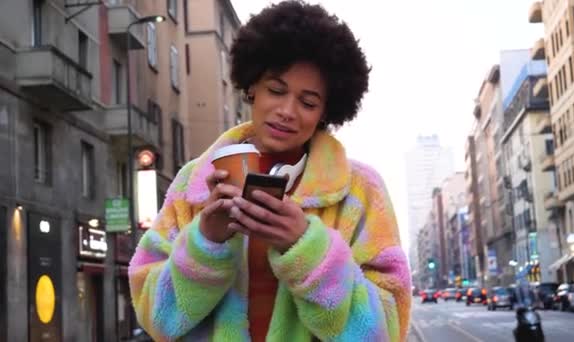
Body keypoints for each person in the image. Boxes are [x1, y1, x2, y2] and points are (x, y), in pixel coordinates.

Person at [128, 1, 411, 341]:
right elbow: (155, 318)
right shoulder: (195, 183)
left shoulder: (360, 190)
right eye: (276, 90)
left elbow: (386, 332)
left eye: (308, 102)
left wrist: (307, 248)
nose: (287, 111)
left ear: (326, 111)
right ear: (252, 88)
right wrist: (206, 241)